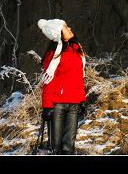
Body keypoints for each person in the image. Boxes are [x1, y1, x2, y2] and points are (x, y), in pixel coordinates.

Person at [38, 18, 86, 155]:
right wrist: (47, 107)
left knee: (68, 147)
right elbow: (48, 81)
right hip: (57, 104)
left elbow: (79, 78)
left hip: (74, 104)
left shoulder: (77, 51)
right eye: (65, 28)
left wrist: (82, 100)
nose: (70, 29)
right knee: (56, 146)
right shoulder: (53, 54)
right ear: (58, 33)